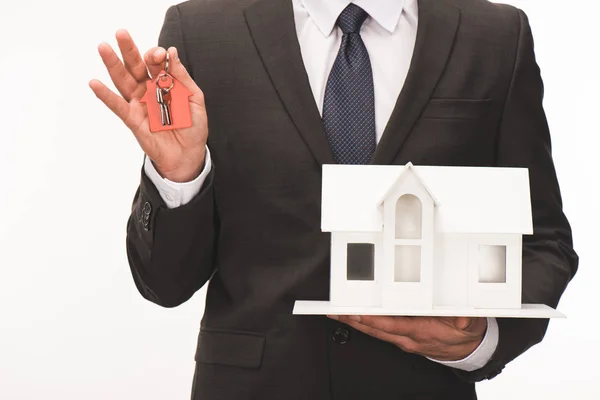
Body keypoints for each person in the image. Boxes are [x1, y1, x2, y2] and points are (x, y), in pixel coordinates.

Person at [90, 0, 578, 398]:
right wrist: (180, 175)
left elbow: (545, 241)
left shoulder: (494, 35)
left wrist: (482, 337)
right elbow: (166, 283)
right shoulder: (200, 29)